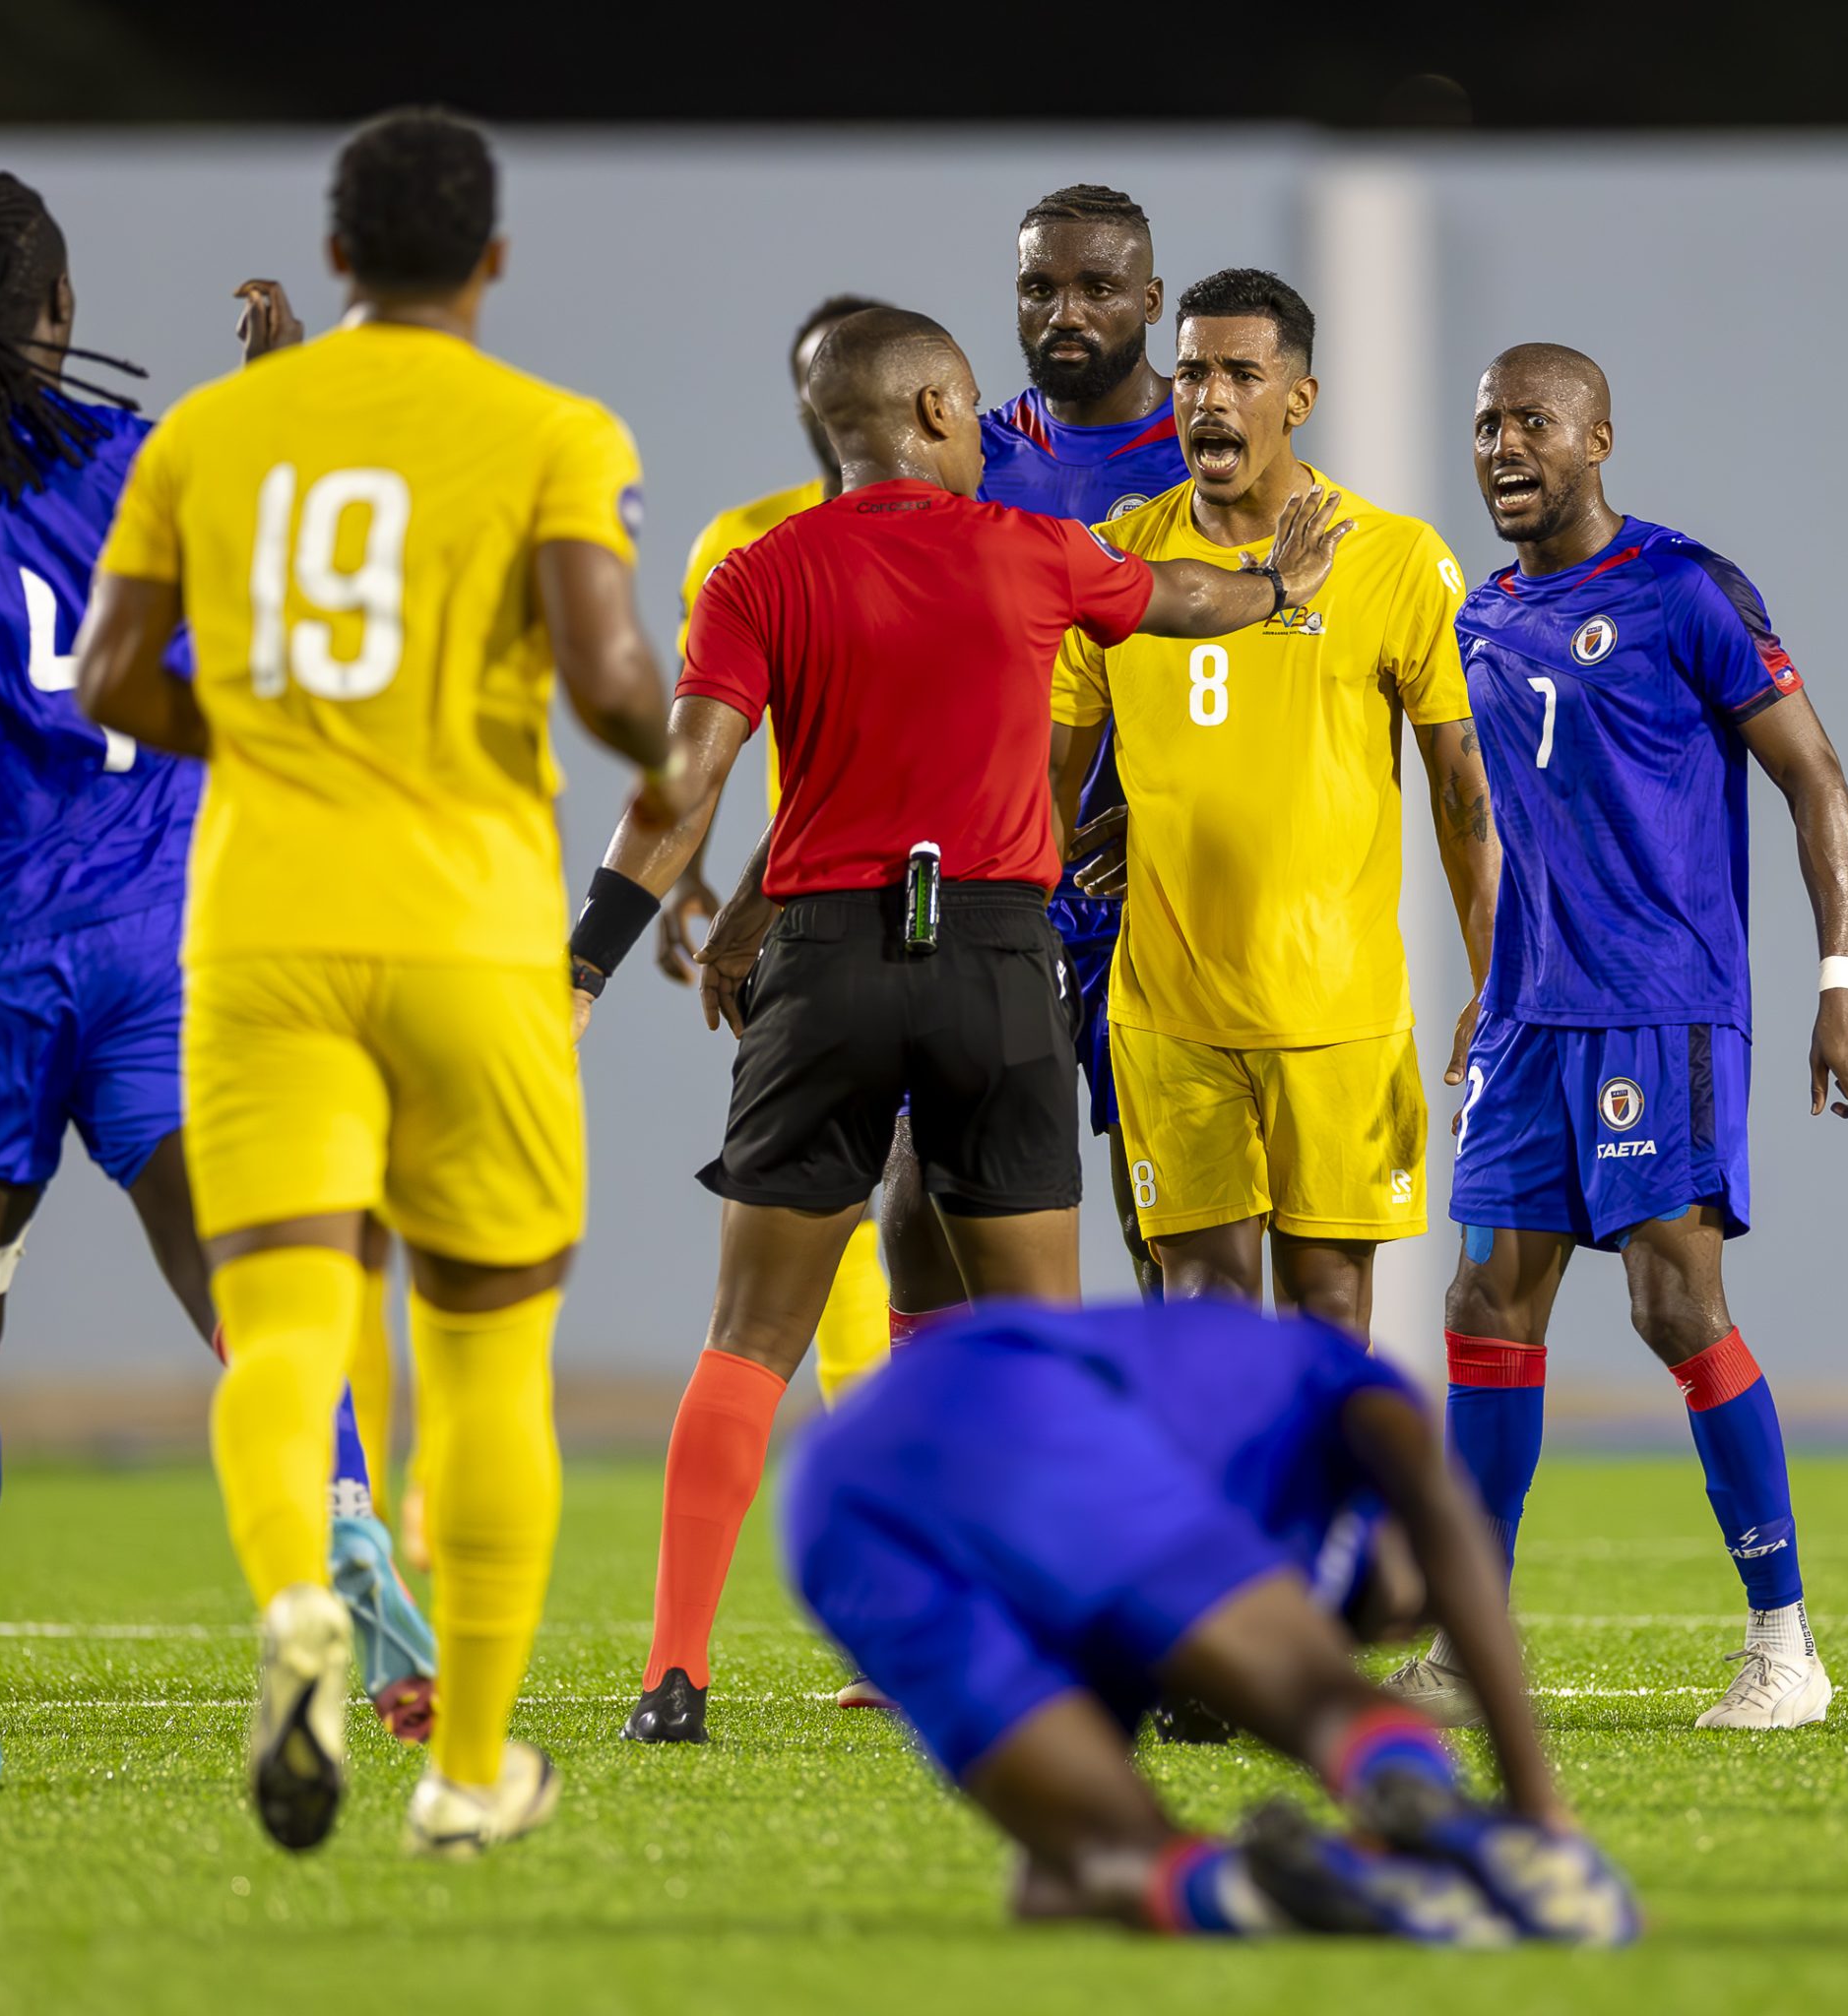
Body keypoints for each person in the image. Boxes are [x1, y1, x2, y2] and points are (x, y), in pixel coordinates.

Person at [567, 305, 1345, 1742]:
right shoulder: (1030, 549)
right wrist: (1279, 588)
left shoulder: (757, 573)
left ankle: (675, 1677)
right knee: (1043, 1350)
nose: (993, 430)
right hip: (991, 961)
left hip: (822, 966)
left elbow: (680, 788)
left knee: (749, 1336)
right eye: (975, 408)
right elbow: (1181, 599)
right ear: (930, 413)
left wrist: (583, 968)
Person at [76, 108, 687, 1856]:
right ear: (491, 261)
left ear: (334, 256)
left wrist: (268, 735)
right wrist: (672, 760)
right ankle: (472, 1764)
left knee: (277, 1325)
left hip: (261, 932)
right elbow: (609, 676)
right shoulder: (552, 429)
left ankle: (294, 1601)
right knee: (488, 1359)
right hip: (475, 934)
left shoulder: (210, 427)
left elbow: (117, 674)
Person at [0, 170, 429, 1794]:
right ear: (63, 311)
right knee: (259, 1301)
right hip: (170, 948)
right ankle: (350, 1528)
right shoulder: (166, 457)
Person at [1386, 343, 1848, 1732]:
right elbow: (1493, 818)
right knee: (1483, 1308)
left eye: (1533, 421)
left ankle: (1785, 1647)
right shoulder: (1483, 617)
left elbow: (1815, 776)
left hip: (1659, 1012)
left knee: (1675, 1307)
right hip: (1529, 1028)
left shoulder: (1685, 590)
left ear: (1598, 435)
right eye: (1485, 423)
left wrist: (1841, 976)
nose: (1503, 447)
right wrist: (1491, 974)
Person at [782, 1298, 1636, 1945]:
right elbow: (1447, 1516)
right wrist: (1537, 1803)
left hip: (830, 1509)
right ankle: (1427, 1804)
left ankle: (1263, 1891)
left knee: (1108, 1853)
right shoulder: (1329, 1385)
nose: (1399, 1632)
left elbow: (1050, 1882)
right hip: (1011, 1398)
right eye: (1411, 1613)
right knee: (1323, 1702)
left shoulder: (1234, 1483)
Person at [1051, 269, 1499, 1337]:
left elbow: (1462, 796)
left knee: (1328, 1313)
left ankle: (1328, 1514)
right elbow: (1044, 774)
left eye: (1240, 373)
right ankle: (1225, 1516)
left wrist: (1497, 977)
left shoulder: (1392, 558)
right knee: (1201, 1313)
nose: (1208, 395)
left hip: (1335, 1014)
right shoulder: (1116, 562)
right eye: (1192, 369)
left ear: (1296, 398)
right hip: (1167, 1009)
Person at [878, 184, 1193, 1323]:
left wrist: (1167, 806)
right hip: (995, 883)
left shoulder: (1205, 459)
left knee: (1163, 1217)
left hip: (1153, 895)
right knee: (918, 1193)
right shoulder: (976, 458)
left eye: (1096, 288)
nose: (1065, 310)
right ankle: (951, 1476)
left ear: (1148, 300)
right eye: (1039, 287)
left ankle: (1173, 1481)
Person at [652, 293, 897, 1427]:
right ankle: (876, 1454)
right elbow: (702, 732)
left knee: (940, 1201)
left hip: (961, 910)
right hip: (800, 912)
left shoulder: (973, 522)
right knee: (825, 1200)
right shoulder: (743, 541)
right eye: (816, 381)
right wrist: (679, 868)